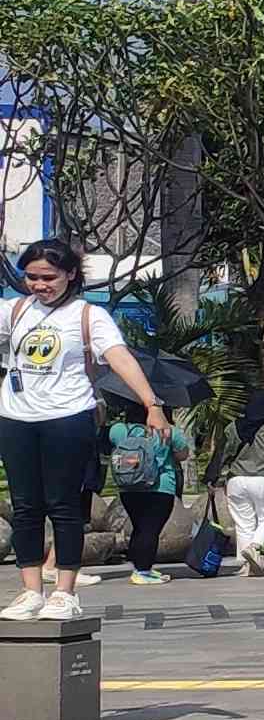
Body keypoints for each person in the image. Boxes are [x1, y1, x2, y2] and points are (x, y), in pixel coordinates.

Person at [0, 241, 170, 620]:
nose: (39, 285)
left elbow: (120, 358)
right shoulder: (12, 311)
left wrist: (152, 405)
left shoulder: (88, 316)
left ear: (71, 275)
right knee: (26, 507)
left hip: (67, 416)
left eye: (49, 277)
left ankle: (64, 590)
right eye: (31, 277)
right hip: (16, 418)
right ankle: (30, 591)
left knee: (63, 506)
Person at [103, 400, 186, 585]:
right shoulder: (167, 430)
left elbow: (110, 444)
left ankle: (141, 567)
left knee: (139, 526)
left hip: (128, 486)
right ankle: (142, 571)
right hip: (160, 486)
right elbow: (183, 454)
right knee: (151, 529)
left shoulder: (118, 429)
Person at [218, 397, 264, 577]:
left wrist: (215, 477)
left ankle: (246, 567)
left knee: (244, 524)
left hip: (236, 480)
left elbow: (223, 452)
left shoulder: (234, 426)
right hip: (263, 479)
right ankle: (255, 546)